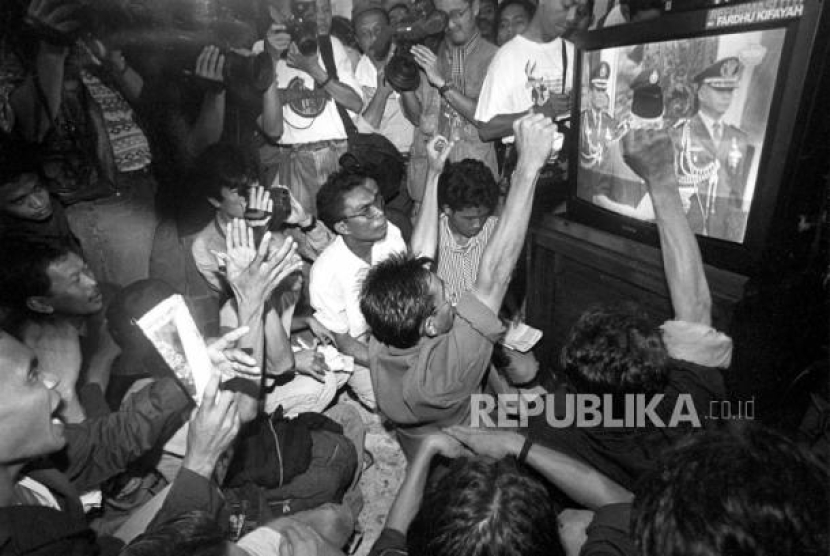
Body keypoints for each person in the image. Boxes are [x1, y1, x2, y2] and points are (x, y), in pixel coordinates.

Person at [526, 127, 733, 492]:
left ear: (574, 384)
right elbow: (696, 307)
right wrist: (662, 180)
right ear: (660, 373)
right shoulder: (691, 402)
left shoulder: (549, 433)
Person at [359, 113, 558, 460]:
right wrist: (528, 169)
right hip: (462, 440)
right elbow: (494, 276)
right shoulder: (444, 375)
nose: (452, 300)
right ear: (431, 325)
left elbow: (419, 257)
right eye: (445, 301)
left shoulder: (385, 329)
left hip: (419, 427)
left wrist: (435, 173)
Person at [0, 329, 245, 556]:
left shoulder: (33, 465)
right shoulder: (28, 543)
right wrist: (201, 462)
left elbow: (110, 438)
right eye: (32, 376)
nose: (52, 379)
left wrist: (192, 370)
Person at [0, 0, 159, 288]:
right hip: (105, 202)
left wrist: (115, 63)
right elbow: (32, 126)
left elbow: (150, 108)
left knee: (155, 294)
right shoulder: (34, 62)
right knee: (132, 301)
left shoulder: (94, 62)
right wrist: (51, 47)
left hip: (142, 189)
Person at [475, 0, 587, 213]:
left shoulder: (573, 53)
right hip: (523, 169)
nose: (571, 16)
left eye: (517, 22)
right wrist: (538, 113)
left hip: (568, 173)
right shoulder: (506, 57)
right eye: (504, 24)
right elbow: (486, 128)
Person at [310, 167, 408, 409]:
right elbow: (343, 341)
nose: (379, 213)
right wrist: (393, 362)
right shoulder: (325, 274)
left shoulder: (391, 235)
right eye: (365, 211)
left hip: (397, 332)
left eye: (375, 202)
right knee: (396, 402)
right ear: (343, 227)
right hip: (360, 349)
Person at [257, 0, 364, 215]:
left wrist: (313, 69)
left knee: (344, 225)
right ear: (275, 12)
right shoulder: (260, 51)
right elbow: (272, 130)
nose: (317, 16)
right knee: (302, 233)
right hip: (294, 160)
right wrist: (271, 58)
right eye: (305, 8)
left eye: (325, 9)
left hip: (339, 154)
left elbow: (355, 103)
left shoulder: (330, 45)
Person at [0, 241, 119, 423]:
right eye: (76, 280)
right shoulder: (32, 358)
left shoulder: (111, 297)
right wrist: (101, 363)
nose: (92, 282)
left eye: (86, 270)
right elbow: (91, 438)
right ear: (41, 304)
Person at [401, 0, 498, 216]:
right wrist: (404, 82)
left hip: (472, 191)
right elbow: (416, 117)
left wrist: (442, 82)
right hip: (427, 183)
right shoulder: (427, 52)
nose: (451, 24)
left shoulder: (494, 58)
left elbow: (486, 121)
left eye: (458, 14)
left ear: (475, 8)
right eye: (443, 17)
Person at [673, 57, 752, 241]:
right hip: (686, 231)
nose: (727, 96)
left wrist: (734, 239)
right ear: (701, 93)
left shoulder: (739, 139)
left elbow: (735, 195)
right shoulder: (680, 132)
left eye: (730, 90)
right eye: (719, 89)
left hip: (720, 235)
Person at [353, 2, 415, 163]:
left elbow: (421, 119)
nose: (374, 38)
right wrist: (381, 92)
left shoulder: (413, 60)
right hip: (381, 167)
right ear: (357, 40)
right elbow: (361, 135)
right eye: (365, 34)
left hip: (418, 161)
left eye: (378, 30)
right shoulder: (354, 74)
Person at [0, 137, 80, 251]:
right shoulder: (9, 247)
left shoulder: (70, 205)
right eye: (19, 200)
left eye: (38, 188)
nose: (38, 203)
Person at [576, 61, 623, 202]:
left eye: (603, 90)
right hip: (582, 190)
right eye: (598, 90)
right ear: (590, 93)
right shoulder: (580, 120)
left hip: (604, 193)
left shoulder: (612, 123)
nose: (601, 95)